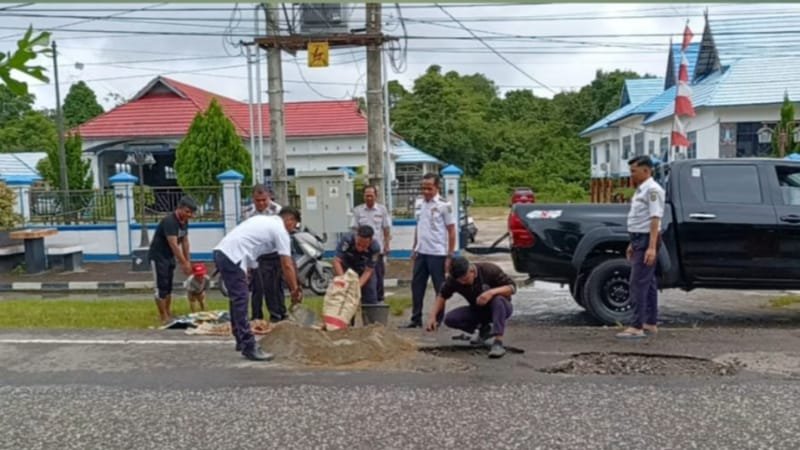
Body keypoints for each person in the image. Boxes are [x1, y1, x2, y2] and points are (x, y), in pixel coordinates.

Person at [213, 207, 303, 361]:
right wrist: (294, 290)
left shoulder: (263, 221)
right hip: (232, 255)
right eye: (294, 226)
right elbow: (287, 264)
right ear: (290, 220)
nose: (292, 230)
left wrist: (247, 268)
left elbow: (251, 245)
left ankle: (241, 340)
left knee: (237, 299)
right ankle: (249, 346)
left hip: (223, 253)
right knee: (241, 299)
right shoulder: (280, 230)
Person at [426, 257, 516, 359]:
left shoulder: (489, 270)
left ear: (472, 271)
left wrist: (491, 293)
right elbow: (442, 296)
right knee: (450, 319)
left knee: (498, 300)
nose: (463, 283)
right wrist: (432, 316)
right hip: (478, 310)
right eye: (460, 281)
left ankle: (498, 342)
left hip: (501, 308)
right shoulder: (454, 280)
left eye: (466, 279)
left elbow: (512, 287)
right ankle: (484, 329)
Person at [616, 155, 666, 339]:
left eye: (634, 171)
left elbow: (655, 219)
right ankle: (650, 323)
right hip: (639, 238)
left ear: (646, 170)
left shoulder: (652, 190)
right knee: (649, 282)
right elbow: (641, 219)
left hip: (646, 240)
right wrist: (632, 242)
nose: (631, 175)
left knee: (637, 282)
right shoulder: (641, 190)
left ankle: (636, 325)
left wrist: (651, 247)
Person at [403, 173, 457, 328]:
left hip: (437, 253)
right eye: (423, 188)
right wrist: (414, 247)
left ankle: (438, 319)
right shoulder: (420, 203)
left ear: (436, 188)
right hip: (422, 252)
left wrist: (449, 255)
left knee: (439, 287)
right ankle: (416, 318)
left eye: (429, 188)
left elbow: (451, 230)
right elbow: (419, 227)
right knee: (417, 286)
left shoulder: (443, 205)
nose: (426, 191)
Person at [148, 196, 197, 324]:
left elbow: (185, 241)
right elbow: (174, 244)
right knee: (161, 286)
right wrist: (184, 263)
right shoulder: (170, 221)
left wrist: (188, 261)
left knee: (169, 285)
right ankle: (163, 316)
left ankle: (168, 312)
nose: (189, 215)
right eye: (187, 211)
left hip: (169, 256)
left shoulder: (184, 222)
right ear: (179, 208)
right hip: (158, 256)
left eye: (191, 212)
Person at [242, 185, 286, 323]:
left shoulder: (277, 211)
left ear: (269, 198)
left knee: (275, 286)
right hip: (257, 254)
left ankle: (278, 314)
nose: (261, 203)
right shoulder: (247, 212)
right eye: (257, 200)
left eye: (264, 200)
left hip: (274, 252)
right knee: (257, 287)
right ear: (253, 199)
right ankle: (256, 316)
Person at [350, 185, 392, 303]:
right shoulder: (358, 210)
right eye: (366, 196)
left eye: (371, 196)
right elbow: (354, 230)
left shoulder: (382, 210)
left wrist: (387, 244)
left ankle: (379, 299)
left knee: (378, 274)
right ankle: (362, 297)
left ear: (376, 196)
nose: (369, 198)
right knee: (362, 273)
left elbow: (386, 229)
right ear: (363, 196)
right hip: (361, 249)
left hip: (376, 249)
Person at [333, 225, 381, 305]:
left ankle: (369, 314)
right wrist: (343, 280)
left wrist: (357, 286)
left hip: (363, 269)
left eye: (364, 246)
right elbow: (337, 261)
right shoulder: (347, 240)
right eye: (358, 244)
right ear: (356, 236)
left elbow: (369, 270)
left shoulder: (375, 248)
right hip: (346, 268)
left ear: (371, 241)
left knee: (370, 295)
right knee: (344, 297)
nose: (360, 248)